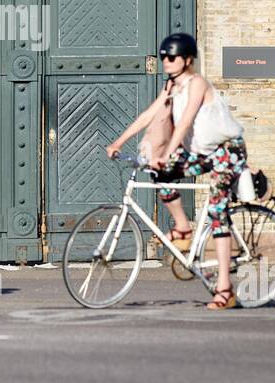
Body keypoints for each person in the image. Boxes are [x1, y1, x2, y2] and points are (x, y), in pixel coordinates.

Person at [106, 32, 247, 310]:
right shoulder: (171, 85)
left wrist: (168, 152)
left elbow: (184, 123)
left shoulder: (197, 84)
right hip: (200, 152)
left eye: (172, 57)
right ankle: (183, 229)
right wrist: (118, 141)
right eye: (163, 58)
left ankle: (224, 289)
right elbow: (149, 114)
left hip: (226, 151)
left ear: (187, 59)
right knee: (160, 173)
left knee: (218, 215)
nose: (166, 62)